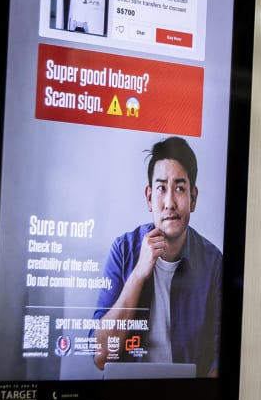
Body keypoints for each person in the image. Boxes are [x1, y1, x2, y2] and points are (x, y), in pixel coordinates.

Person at [93, 136, 222, 377]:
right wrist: (139, 273)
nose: (170, 202)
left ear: (193, 198)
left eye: (180, 188)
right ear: (149, 197)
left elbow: (219, 356)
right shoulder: (123, 250)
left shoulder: (213, 262)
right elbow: (100, 355)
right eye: (162, 188)